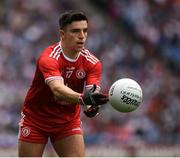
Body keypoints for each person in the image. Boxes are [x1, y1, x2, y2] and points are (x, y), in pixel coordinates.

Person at [18, 10, 108, 157]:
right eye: (75, 31)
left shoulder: (93, 63)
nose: (82, 36)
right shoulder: (48, 58)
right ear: (62, 34)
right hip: (36, 120)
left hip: (67, 121)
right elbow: (57, 89)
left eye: (85, 31)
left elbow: (92, 92)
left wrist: (93, 105)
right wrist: (83, 99)